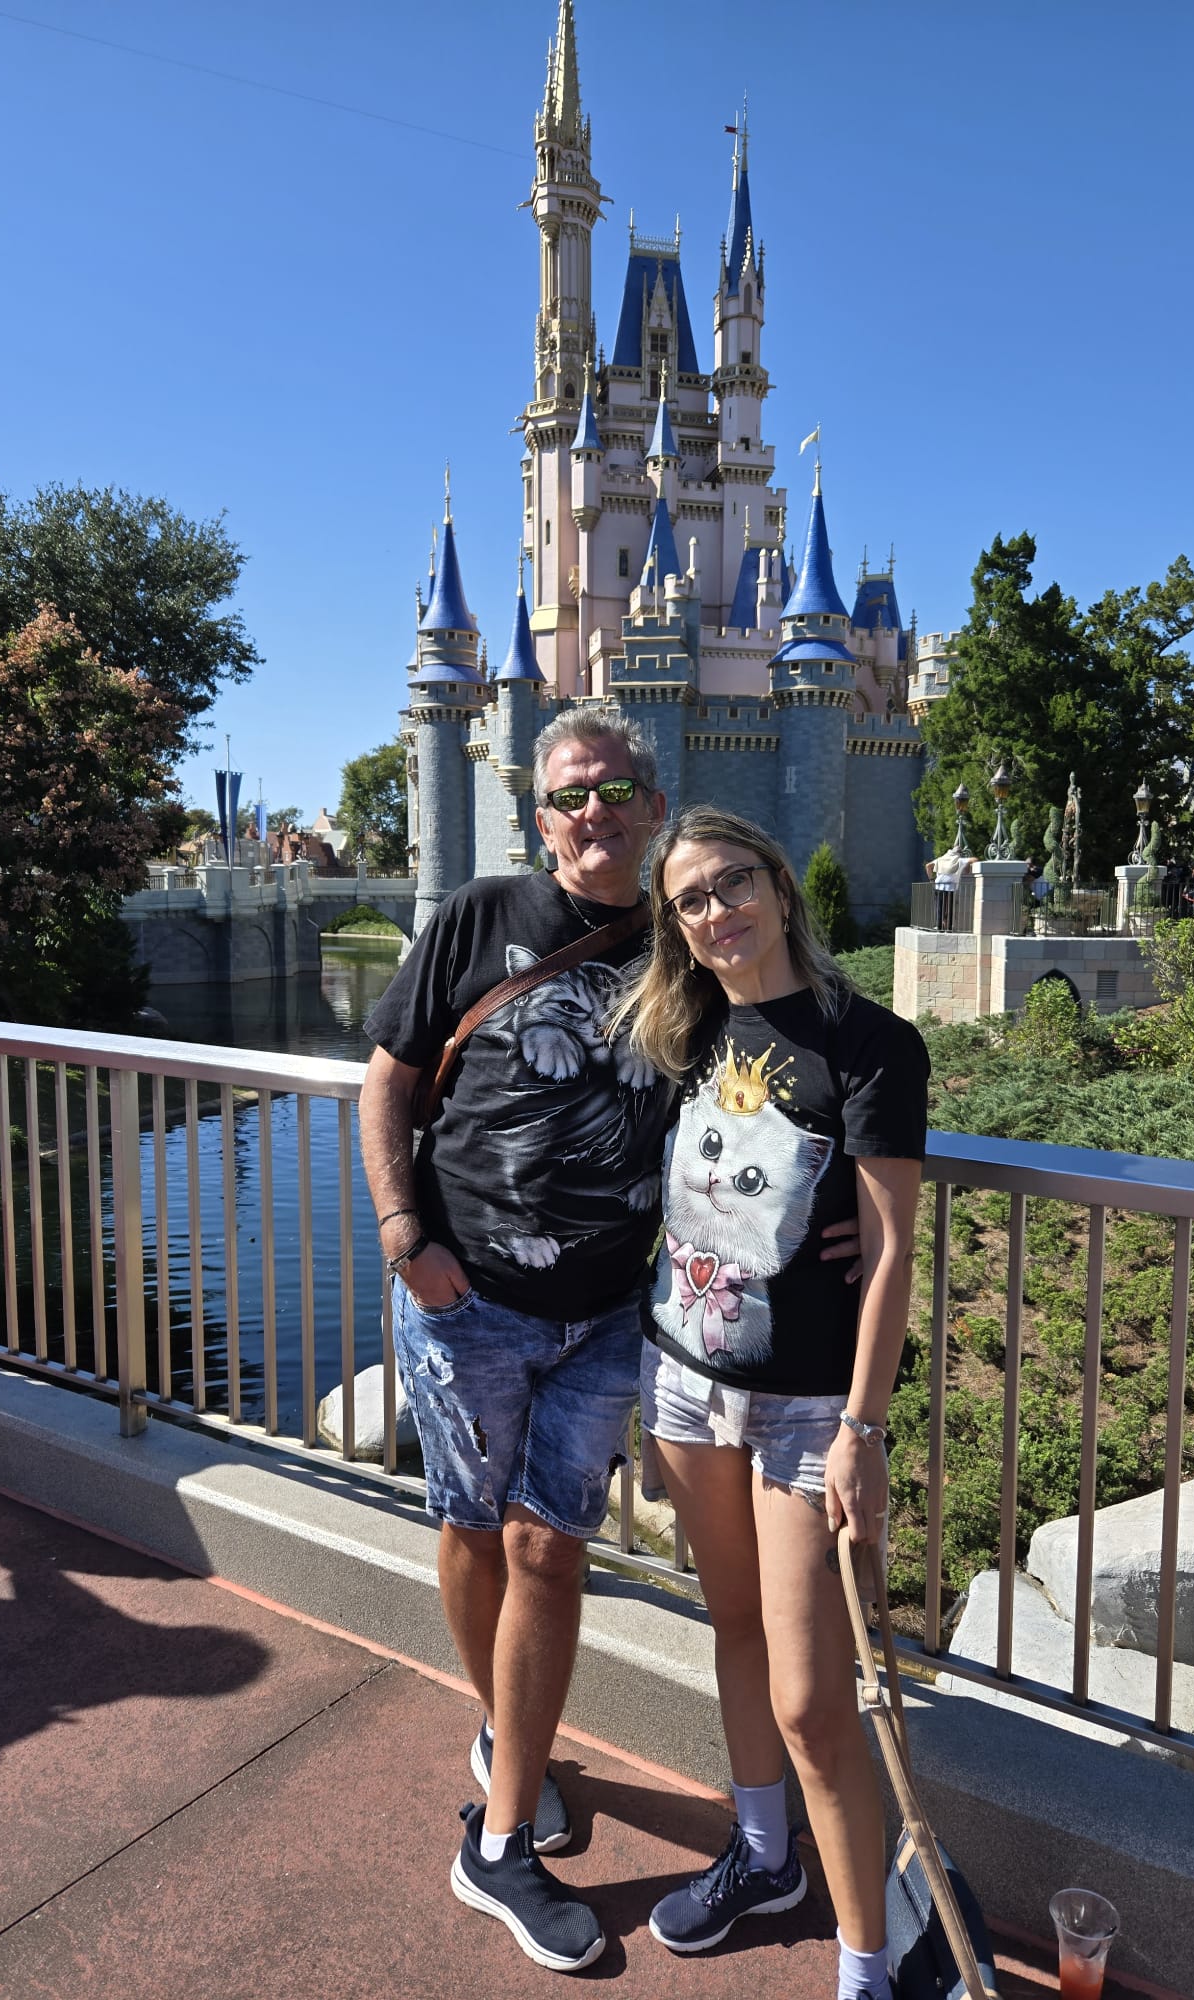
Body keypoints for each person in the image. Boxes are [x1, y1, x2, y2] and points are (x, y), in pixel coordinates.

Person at [357, 711, 857, 1974]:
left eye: (620, 790)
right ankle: (507, 1740)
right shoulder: (478, 915)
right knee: (474, 1530)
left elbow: (779, 1059)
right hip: (465, 1298)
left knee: (549, 1543)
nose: (597, 812)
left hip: (606, 1314)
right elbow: (388, 1076)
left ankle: (499, 1831)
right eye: (573, 793)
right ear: (541, 816)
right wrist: (405, 1232)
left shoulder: (680, 945)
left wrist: (849, 1193)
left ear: (655, 804)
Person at [616, 805, 929, 2000]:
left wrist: (863, 1427)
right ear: (676, 926)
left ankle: (865, 1963)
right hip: (685, 1381)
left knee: (811, 1699)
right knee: (733, 1626)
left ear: (780, 884)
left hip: (806, 1409)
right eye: (691, 900)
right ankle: (763, 1851)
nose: (717, 911)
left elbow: (891, 1254)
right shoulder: (686, 1027)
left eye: (732, 882)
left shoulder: (870, 1042)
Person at [925, 844, 971, 932]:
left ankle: (939, 927)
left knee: (940, 907)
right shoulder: (959, 860)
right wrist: (968, 866)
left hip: (939, 886)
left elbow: (928, 866)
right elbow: (972, 861)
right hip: (950, 887)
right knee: (949, 908)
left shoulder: (941, 859)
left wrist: (931, 879)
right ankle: (948, 927)